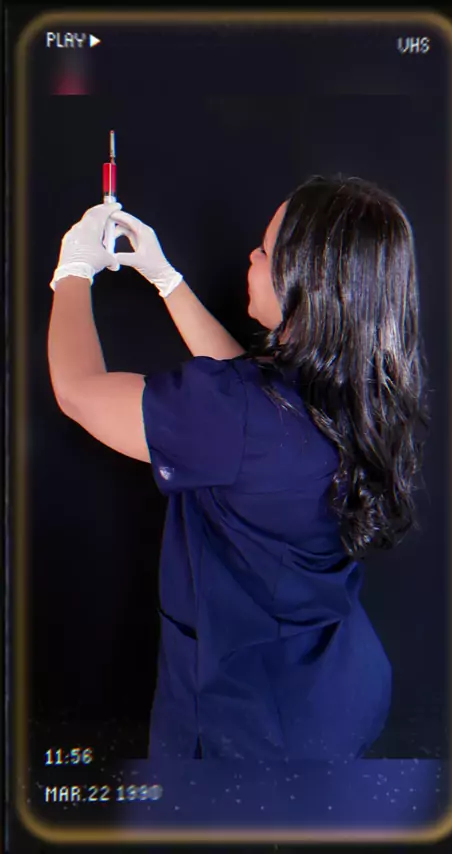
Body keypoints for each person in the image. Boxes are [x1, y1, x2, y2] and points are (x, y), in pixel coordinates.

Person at [47, 174, 430, 761]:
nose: (251, 257)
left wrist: (73, 270)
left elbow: (78, 391)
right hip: (336, 684)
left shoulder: (234, 416)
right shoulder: (364, 386)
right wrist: (167, 281)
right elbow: (252, 394)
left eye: (265, 252)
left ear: (309, 285)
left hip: (252, 724)